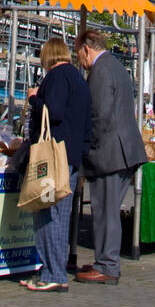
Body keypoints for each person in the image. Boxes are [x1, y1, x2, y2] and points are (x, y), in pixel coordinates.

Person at [74, 29, 148, 286]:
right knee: (108, 210)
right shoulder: (116, 66)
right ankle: (105, 262)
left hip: (109, 152)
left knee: (105, 211)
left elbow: (99, 115)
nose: (80, 61)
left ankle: (107, 265)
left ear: (86, 48)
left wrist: (86, 149)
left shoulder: (101, 71)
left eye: (79, 55)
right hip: (124, 150)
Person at [20, 38, 91, 293]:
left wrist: (34, 98)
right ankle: (53, 271)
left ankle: (53, 272)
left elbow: (55, 112)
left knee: (48, 213)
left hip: (52, 158)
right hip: (70, 158)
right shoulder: (79, 79)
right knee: (61, 215)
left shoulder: (57, 76)